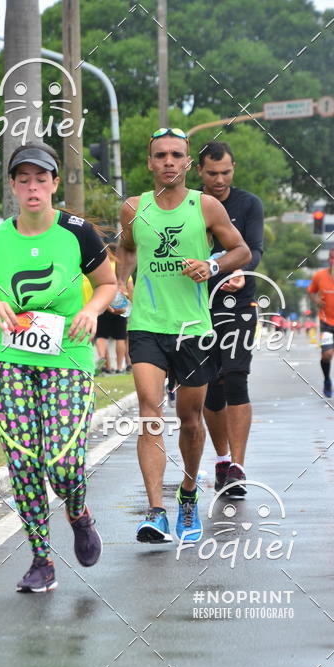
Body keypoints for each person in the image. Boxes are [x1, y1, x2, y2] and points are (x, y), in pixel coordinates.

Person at [0, 141, 116, 592]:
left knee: (64, 464)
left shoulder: (77, 231)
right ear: (13, 186)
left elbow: (107, 283)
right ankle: (41, 560)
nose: (33, 188)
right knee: (24, 460)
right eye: (23, 179)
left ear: (53, 183)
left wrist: (92, 312)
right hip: (7, 360)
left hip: (67, 358)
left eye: (41, 179)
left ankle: (78, 511)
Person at [116, 127, 250, 545]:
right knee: (149, 409)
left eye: (176, 154)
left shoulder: (205, 206)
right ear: (150, 162)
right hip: (147, 326)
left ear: (188, 163)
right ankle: (156, 512)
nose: (169, 162)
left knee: (191, 420)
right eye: (161, 156)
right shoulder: (133, 208)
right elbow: (126, 248)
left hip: (193, 329)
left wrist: (212, 266)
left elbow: (241, 251)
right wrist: (121, 284)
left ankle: (188, 494)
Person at [197, 142, 264, 498]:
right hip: (195, 306)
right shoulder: (189, 205)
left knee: (235, 378)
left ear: (233, 168)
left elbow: (254, 249)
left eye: (226, 172)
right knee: (210, 385)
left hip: (238, 303)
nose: (220, 180)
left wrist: (240, 269)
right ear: (200, 172)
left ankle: (237, 466)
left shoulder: (248, 204)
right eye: (212, 174)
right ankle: (222, 459)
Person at [308, 248, 334, 398]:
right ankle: (327, 380)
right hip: (326, 322)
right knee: (327, 355)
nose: (333, 261)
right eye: (331, 258)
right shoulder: (320, 276)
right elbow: (311, 291)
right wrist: (316, 300)